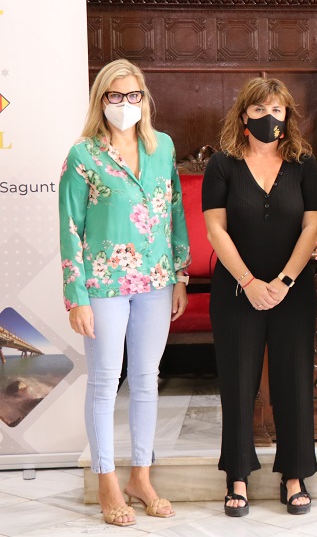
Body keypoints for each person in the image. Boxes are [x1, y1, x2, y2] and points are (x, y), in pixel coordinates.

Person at [59, 59, 190, 527]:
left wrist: (180, 275)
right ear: (101, 100)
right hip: (103, 285)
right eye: (115, 96)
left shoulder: (162, 147)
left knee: (147, 379)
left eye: (133, 95)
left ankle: (141, 476)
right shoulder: (83, 155)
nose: (125, 104)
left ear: (144, 99)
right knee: (104, 381)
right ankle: (106, 480)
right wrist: (76, 297)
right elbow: (70, 227)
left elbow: (175, 211)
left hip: (156, 281)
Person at [203, 77, 317, 517]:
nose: (267, 117)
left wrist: (285, 280)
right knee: (237, 384)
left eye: (276, 109)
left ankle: (294, 475)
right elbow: (215, 229)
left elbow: (313, 225)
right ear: (243, 116)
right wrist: (250, 281)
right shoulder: (222, 164)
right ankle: (237, 476)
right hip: (236, 291)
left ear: (287, 116)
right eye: (258, 110)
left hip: (294, 289)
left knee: (294, 382)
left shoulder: (303, 163)